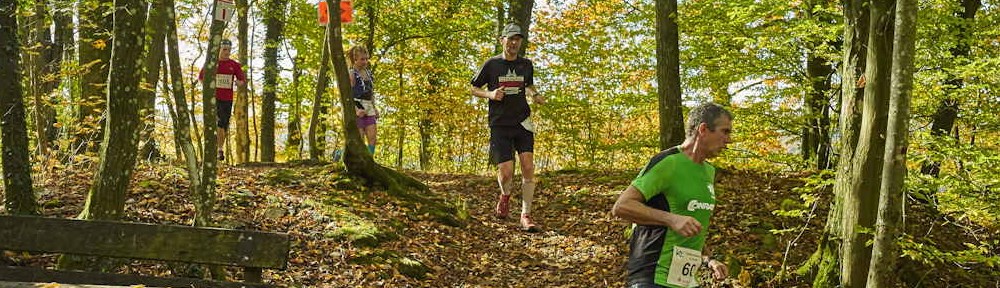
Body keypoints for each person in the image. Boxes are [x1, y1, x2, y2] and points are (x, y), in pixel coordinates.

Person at [611, 103, 732, 288]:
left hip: (686, 281)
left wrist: (709, 259)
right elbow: (621, 206)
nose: (728, 140)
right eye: (725, 132)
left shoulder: (709, 171)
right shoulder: (668, 162)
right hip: (653, 276)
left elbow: (692, 228)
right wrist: (671, 219)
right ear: (703, 129)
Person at [470, 23, 545, 232]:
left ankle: (526, 215)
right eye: (510, 39)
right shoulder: (491, 64)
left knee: (528, 167)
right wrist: (491, 94)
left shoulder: (526, 64)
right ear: (502, 40)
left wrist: (535, 94)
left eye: (517, 40)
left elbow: (528, 85)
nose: (513, 43)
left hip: (522, 121)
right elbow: (474, 88)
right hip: (500, 123)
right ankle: (505, 196)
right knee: (506, 171)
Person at [199, 39, 246, 162]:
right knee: (217, 123)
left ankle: (219, 148)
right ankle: (217, 149)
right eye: (225, 49)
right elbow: (201, 78)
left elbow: (242, 80)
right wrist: (209, 86)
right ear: (219, 49)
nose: (227, 52)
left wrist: (238, 82)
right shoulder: (211, 63)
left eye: (229, 50)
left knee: (223, 125)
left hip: (227, 99)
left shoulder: (234, 65)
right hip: (213, 99)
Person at [348, 45, 378, 155]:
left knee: (372, 138)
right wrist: (356, 109)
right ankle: (342, 157)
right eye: (362, 59)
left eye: (366, 58)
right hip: (357, 105)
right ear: (355, 59)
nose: (365, 61)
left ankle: (370, 161)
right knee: (359, 140)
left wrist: (375, 108)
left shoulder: (369, 73)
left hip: (369, 106)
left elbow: (371, 92)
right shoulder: (351, 73)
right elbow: (348, 94)